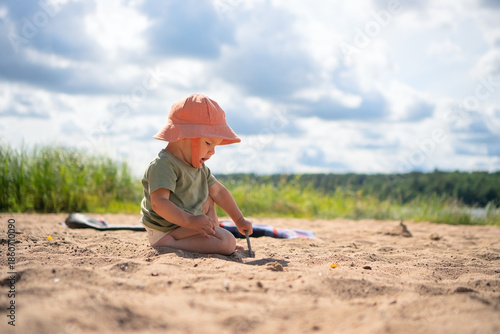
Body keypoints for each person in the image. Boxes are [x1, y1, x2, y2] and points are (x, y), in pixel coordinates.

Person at [140, 93, 253, 255]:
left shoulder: (198, 167)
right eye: (208, 143)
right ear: (182, 137)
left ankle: (209, 239)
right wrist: (190, 221)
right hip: (167, 229)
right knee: (228, 243)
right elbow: (159, 203)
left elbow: (219, 191)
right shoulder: (164, 164)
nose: (212, 152)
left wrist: (239, 219)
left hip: (184, 224)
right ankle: (168, 244)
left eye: (215, 146)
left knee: (207, 195)